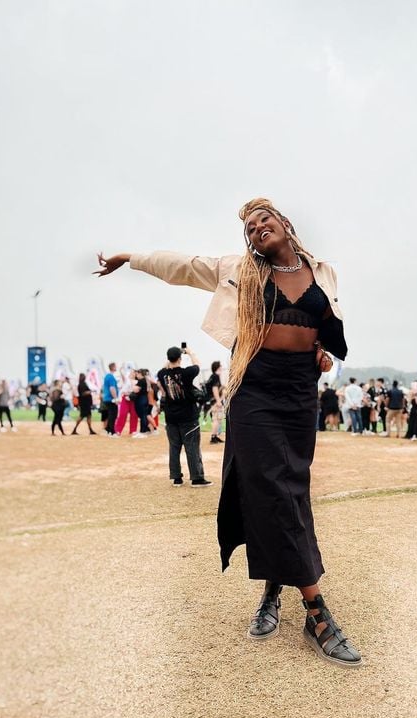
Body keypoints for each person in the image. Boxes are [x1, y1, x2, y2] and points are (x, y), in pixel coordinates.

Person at [95, 197, 362, 667]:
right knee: (274, 487)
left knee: (291, 488)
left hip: (299, 391)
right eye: (251, 226)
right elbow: (179, 266)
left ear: (285, 224)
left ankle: (271, 591)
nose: (258, 227)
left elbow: (323, 324)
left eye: (266, 219)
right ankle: (317, 611)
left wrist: (320, 352)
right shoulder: (238, 270)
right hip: (255, 388)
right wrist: (131, 259)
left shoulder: (323, 271)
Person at [157, 346, 211, 487]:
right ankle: (197, 478)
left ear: (168, 359)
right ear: (180, 358)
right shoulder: (187, 373)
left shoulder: (162, 374)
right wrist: (190, 352)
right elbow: (197, 365)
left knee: (174, 448)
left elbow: (164, 369)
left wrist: (170, 360)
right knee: (192, 447)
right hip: (188, 416)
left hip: (171, 418)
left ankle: (176, 478)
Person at [207, 361, 224, 444]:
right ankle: (213, 437)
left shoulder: (212, 376)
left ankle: (216, 436)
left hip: (212, 401)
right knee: (216, 420)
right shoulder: (215, 376)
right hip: (215, 401)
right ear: (218, 367)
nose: (222, 367)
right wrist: (218, 401)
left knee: (218, 419)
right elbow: (215, 388)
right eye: (220, 366)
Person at [102, 363, 119, 436]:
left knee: (110, 415)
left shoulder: (107, 376)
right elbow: (112, 388)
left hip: (107, 398)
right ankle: (112, 432)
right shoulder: (111, 377)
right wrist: (115, 398)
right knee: (113, 415)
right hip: (110, 399)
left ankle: (108, 430)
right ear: (113, 367)